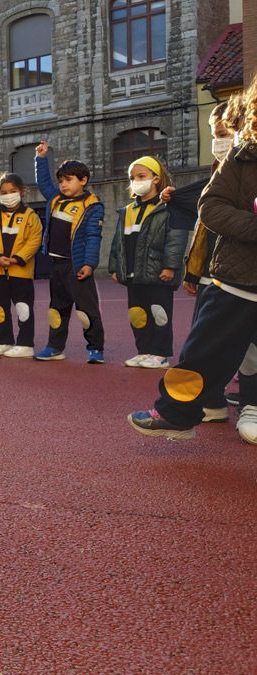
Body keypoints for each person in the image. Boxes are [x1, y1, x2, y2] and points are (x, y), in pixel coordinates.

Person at [128, 77, 257, 443]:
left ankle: (253, 407)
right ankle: (176, 413)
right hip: (236, 281)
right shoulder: (243, 157)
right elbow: (210, 206)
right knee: (202, 353)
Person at [168, 95, 246, 420]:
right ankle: (211, 400)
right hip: (212, 273)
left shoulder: (245, 171)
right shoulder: (219, 171)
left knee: (242, 341)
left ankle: (248, 401)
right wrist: (192, 272)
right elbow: (203, 220)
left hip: (241, 274)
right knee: (207, 339)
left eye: (224, 132)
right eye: (215, 134)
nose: (218, 141)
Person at [108, 156, 186, 369]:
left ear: (156, 179)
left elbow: (176, 240)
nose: (136, 180)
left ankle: (160, 354)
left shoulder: (168, 208)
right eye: (132, 177)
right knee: (137, 314)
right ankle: (143, 350)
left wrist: (170, 266)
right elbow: (118, 243)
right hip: (134, 274)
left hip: (157, 273)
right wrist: (115, 267)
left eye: (141, 176)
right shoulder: (127, 211)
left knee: (159, 313)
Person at [33, 141, 107, 363]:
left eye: (69, 180)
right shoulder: (55, 198)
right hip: (57, 266)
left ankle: (95, 348)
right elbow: (44, 183)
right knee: (56, 309)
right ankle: (55, 347)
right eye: (61, 181)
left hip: (77, 267)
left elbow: (94, 237)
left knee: (86, 311)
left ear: (83, 180)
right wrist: (41, 159)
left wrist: (89, 264)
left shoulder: (92, 206)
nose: (63, 185)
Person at [0, 174, 43, 357]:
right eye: (3, 193)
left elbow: (35, 240)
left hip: (20, 271)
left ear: (22, 192)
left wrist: (18, 258)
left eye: (13, 191)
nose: (8, 195)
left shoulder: (30, 215)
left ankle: (25, 344)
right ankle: (4, 340)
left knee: (23, 308)